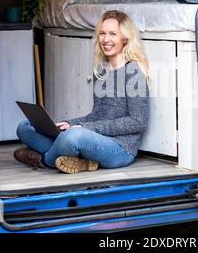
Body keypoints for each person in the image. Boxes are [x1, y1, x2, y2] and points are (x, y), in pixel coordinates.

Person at [14, 10, 150, 173]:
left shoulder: (133, 73)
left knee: (72, 137)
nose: (106, 40)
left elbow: (137, 122)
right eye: (102, 34)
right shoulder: (101, 71)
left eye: (113, 34)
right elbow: (97, 115)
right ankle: (78, 160)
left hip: (120, 149)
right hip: (93, 140)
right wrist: (70, 123)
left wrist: (83, 128)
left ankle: (42, 160)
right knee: (25, 127)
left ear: (125, 38)